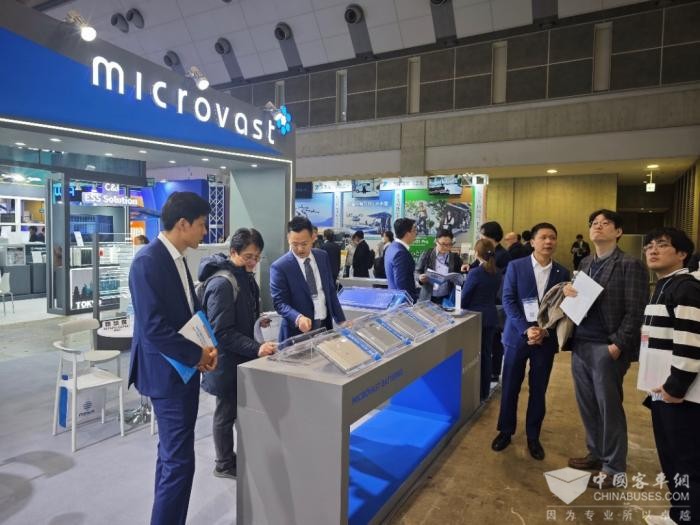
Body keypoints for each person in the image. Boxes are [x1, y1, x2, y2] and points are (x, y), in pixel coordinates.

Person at [128, 191, 217, 525]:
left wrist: (207, 348)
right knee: (179, 463)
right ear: (183, 224)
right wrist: (196, 354)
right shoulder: (147, 262)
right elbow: (154, 328)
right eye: (202, 225)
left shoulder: (177, 258)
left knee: (172, 459)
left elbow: (189, 313)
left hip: (185, 368)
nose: (204, 231)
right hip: (166, 375)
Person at [564, 209, 648, 489]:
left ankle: (614, 468)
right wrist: (568, 293)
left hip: (606, 346)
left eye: (605, 223)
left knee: (609, 408)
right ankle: (596, 453)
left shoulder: (630, 264)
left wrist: (618, 345)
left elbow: (636, 311)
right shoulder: (586, 262)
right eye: (594, 223)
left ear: (618, 231)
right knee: (588, 405)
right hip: (581, 343)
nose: (598, 227)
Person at [198, 228, 276, 480]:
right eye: (248, 256)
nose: (253, 262)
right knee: (225, 413)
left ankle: (236, 457)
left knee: (236, 411)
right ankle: (223, 463)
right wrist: (256, 348)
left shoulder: (245, 277)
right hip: (225, 362)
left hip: (242, 359)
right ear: (233, 252)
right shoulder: (222, 283)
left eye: (257, 257)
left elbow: (240, 315)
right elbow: (221, 332)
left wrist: (257, 320)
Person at [491, 222, 570, 461]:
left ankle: (533, 436)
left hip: (545, 340)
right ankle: (505, 431)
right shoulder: (516, 266)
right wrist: (527, 329)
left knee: (539, 389)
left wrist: (545, 330)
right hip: (517, 337)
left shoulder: (562, 273)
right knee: (510, 387)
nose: (548, 242)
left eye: (552, 237)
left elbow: (562, 308)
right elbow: (508, 300)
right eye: (543, 237)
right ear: (533, 241)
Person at [638, 227, 699, 525]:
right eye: (649, 245)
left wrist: (676, 387)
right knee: (671, 458)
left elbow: (691, 343)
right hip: (662, 390)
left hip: (681, 395)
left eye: (662, 245)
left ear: (682, 253)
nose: (652, 249)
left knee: (686, 462)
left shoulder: (686, 288)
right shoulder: (664, 285)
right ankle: (678, 515)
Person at [270, 216, 346, 341]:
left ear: (313, 237)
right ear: (288, 239)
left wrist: (341, 320)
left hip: (324, 326)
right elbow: (280, 303)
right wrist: (298, 318)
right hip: (296, 333)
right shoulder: (280, 267)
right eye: (294, 244)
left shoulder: (322, 257)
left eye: (304, 244)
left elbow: (330, 291)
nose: (300, 249)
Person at [461, 239, 501, 402]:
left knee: (475, 356)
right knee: (486, 354)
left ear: (477, 253)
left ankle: (476, 391)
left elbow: (465, 298)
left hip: (475, 318)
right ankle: (484, 391)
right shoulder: (496, 272)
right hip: (491, 317)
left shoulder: (475, 273)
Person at [416, 229, 463, 304]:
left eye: (449, 244)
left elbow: (460, 274)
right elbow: (416, 271)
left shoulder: (454, 257)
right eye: (443, 244)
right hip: (428, 297)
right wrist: (419, 277)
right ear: (436, 241)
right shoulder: (427, 254)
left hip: (446, 298)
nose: (446, 247)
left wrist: (458, 277)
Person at [384, 218, 419, 302]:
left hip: (393, 297)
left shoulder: (392, 247)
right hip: (402, 302)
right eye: (414, 230)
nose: (416, 233)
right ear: (407, 233)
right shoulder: (401, 253)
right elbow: (401, 285)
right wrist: (412, 301)